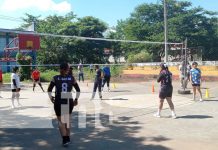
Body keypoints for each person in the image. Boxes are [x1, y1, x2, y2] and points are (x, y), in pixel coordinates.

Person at [47, 63, 80, 147]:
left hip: (58, 100)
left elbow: (49, 89)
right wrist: (76, 99)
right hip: (68, 99)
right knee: (67, 121)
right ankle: (67, 138)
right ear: (67, 69)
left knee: (61, 122)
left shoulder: (55, 78)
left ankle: (65, 139)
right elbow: (78, 90)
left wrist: (51, 98)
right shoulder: (72, 78)